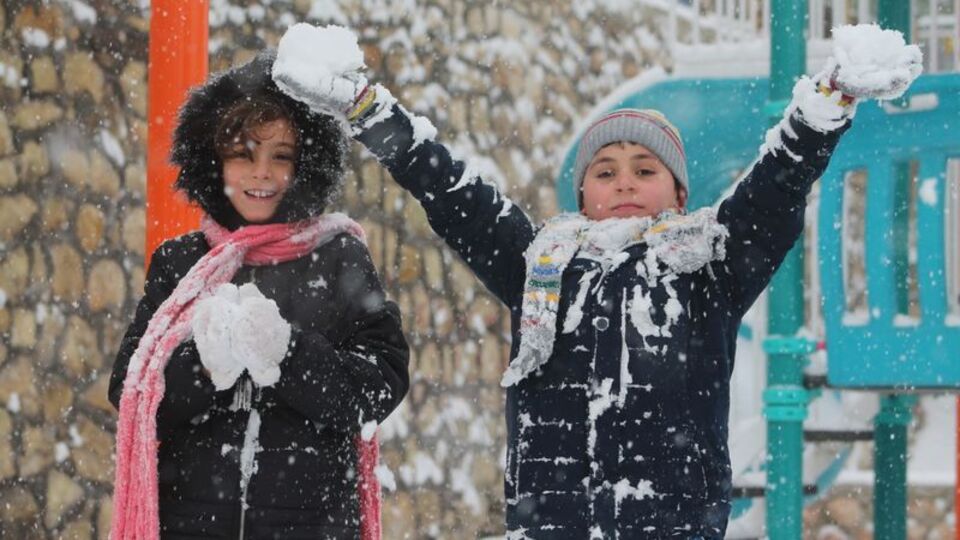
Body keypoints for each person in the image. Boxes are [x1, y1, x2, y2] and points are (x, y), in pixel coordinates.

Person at [275, 23, 920, 538]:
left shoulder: (708, 266)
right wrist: (368, 111)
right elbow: (453, 193)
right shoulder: (540, 265)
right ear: (583, 192)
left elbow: (775, 189)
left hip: (671, 526)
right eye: (605, 171)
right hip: (549, 524)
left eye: (645, 169)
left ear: (678, 191)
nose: (624, 183)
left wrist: (826, 105)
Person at [108, 50, 409, 540]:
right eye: (243, 154)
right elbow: (131, 393)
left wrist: (288, 355)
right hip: (190, 525)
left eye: (281, 156)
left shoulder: (339, 259)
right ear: (213, 160)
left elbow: (378, 386)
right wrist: (204, 366)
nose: (261, 173)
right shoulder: (180, 263)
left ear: (306, 165)